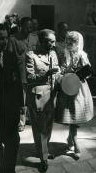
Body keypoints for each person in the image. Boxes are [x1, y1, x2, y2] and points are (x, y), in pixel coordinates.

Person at [55, 31, 94, 158]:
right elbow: (59, 70)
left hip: (79, 88)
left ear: (78, 43)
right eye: (68, 41)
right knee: (71, 116)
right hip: (66, 86)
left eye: (72, 42)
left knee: (74, 116)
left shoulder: (82, 55)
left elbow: (88, 72)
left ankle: (71, 140)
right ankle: (75, 143)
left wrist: (81, 72)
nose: (69, 44)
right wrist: (64, 73)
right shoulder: (62, 54)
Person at [26, 29, 60, 172]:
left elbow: (57, 74)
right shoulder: (31, 55)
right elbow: (29, 78)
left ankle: (44, 150)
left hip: (52, 97)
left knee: (48, 127)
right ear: (41, 41)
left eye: (53, 41)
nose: (52, 44)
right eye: (48, 41)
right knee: (40, 129)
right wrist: (47, 73)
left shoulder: (53, 53)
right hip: (38, 98)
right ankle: (43, 157)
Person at [0, 24, 23, 173]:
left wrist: (21, 107)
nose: (5, 41)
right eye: (0, 38)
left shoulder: (10, 56)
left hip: (10, 109)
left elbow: (18, 83)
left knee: (13, 142)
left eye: (6, 37)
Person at [10, 17, 39, 131]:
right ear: (21, 26)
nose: (28, 30)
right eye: (26, 27)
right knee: (22, 100)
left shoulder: (35, 38)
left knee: (33, 98)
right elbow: (10, 58)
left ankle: (32, 119)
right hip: (21, 75)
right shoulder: (13, 39)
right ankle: (21, 122)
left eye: (30, 27)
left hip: (34, 75)